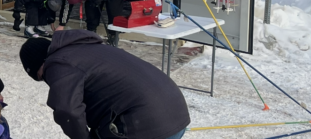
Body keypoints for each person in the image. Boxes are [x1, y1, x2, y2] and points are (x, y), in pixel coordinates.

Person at [19, 30, 190, 139]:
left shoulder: (59, 63)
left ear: (40, 66)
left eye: (42, 77)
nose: (48, 80)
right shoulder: (88, 48)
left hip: (146, 125)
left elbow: (67, 109)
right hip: (175, 113)